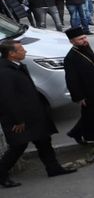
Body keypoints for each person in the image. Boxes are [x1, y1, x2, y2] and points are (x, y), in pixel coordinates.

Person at [0, 39, 75, 187]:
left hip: (33, 115)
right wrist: (18, 120)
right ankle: (1, 174)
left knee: (44, 141)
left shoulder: (16, 66)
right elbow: (7, 99)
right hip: (20, 119)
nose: (25, 51)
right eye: (21, 49)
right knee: (18, 147)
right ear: (12, 54)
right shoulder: (4, 72)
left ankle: (53, 168)